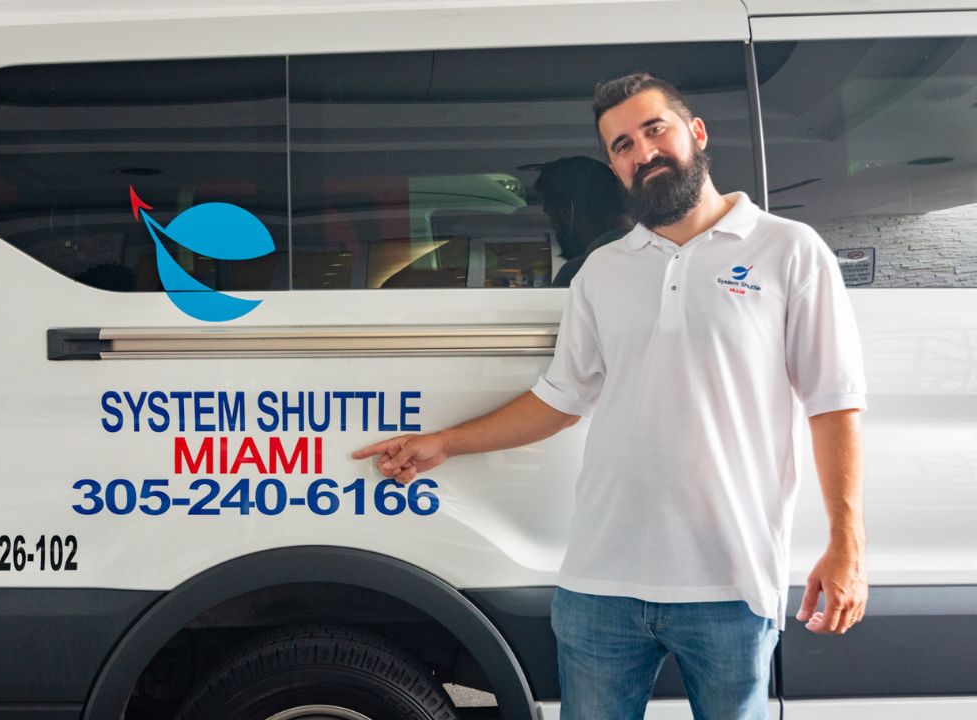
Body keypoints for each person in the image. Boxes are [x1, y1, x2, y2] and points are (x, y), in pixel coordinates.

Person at [353, 72, 868, 720]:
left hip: (731, 584)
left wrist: (847, 544)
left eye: (655, 130)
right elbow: (561, 398)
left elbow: (833, 403)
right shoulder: (602, 272)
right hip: (601, 586)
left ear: (695, 132)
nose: (643, 152)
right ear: (615, 166)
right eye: (622, 145)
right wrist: (446, 443)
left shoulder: (788, 251)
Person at [533, 156, 633, 286]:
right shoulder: (655, 256)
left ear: (567, 212)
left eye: (551, 215)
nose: (552, 225)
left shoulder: (578, 273)